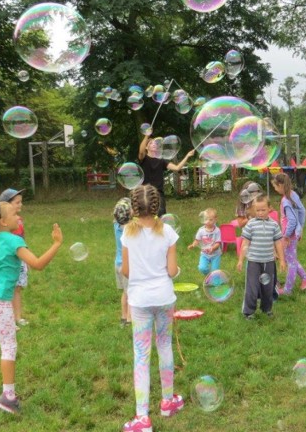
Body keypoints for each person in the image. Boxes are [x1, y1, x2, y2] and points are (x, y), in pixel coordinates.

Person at [0, 202, 63, 414]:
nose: (19, 215)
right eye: (15, 213)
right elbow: (37, 264)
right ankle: (8, 398)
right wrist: (56, 244)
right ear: (3, 221)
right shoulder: (14, 241)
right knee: (9, 346)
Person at [121, 184, 184, 432]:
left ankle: (142, 418)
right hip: (164, 296)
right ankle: (167, 402)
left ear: (134, 207)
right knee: (165, 345)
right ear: (156, 206)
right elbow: (171, 271)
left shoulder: (127, 232)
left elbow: (126, 270)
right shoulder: (167, 231)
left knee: (141, 355)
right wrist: (177, 272)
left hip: (140, 301)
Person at [236, 194, 286, 319]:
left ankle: (266, 309)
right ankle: (248, 312)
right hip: (253, 261)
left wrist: (282, 260)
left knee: (268, 287)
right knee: (252, 288)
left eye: (263, 210)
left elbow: (278, 243)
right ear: (254, 210)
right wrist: (241, 260)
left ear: (269, 208)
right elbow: (245, 243)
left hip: (269, 261)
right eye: (257, 210)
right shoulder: (251, 225)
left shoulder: (274, 225)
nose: (260, 213)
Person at [271, 173, 306, 295]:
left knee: (291, 262)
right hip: (293, 233)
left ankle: (287, 289)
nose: (275, 189)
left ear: (280, 185)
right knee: (292, 258)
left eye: (275, 186)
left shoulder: (285, 200)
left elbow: (292, 220)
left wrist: (286, 236)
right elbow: (303, 211)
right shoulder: (293, 194)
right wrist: (300, 228)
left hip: (289, 235)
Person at [137, 132, 195, 216]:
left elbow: (177, 168)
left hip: (158, 194)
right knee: (147, 216)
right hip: (146, 193)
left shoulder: (161, 161)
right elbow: (141, 151)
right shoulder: (144, 159)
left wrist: (187, 156)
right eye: (150, 143)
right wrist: (146, 135)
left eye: (155, 143)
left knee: (160, 217)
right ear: (146, 147)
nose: (154, 144)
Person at [0, 188, 29, 329]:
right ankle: (7, 320)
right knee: (8, 290)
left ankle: (17, 317)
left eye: (20, 202)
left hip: (20, 259)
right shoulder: (3, 223)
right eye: (17, 202)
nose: (20, 205)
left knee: (17, 288)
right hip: (9, 261)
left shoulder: (18, 220)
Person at [113, 197, 133, 327]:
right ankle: (130, 319)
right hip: (128, 265)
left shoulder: (116, 225)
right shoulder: (129, 229)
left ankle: (123, 317)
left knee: (125, 292)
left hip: (118, 263)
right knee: (131, 293)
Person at [187, 208, 222, 275]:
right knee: (202, 268)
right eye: (206, 219)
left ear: (215, 220)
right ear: (203, 220)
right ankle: (208, 275)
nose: (208, 221)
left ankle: (214, 282)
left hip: (215, 254)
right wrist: (193, 245)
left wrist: (212, 248)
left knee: (215, 271)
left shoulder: (217, 230)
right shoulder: (201, 230)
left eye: (211, 220)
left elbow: (218, 243)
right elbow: (197, 240)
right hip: (204, 254)